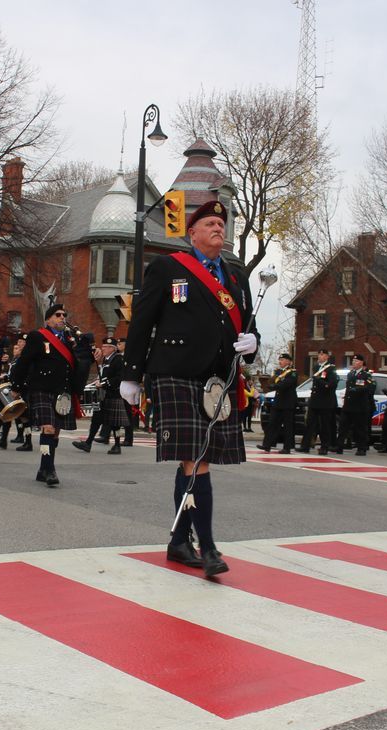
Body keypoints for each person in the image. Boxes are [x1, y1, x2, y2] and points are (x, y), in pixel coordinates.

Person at [120, 199, 258, 578]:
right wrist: (131, 373)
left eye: (221, 223)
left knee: (194, 459)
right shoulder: (168, 267)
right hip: (175, 373)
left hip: (218, 380)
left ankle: (180, 541)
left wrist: (253, 344)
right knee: (197, 459)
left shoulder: (236, 277)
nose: (218, 228)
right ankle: (209, 546)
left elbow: (246, 326)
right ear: (192, 232)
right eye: (210, 223)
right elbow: (142, 321)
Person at [11, 303, 83, 486]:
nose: (62, 317)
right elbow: (24, 361)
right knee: (48, 428)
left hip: (62, 392)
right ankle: (50, 470)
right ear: (48, 319)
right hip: (42, 389)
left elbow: (75, 367)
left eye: (64, 315)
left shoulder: (69, 340)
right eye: (58, 314)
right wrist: (16, 385)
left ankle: (43, 468)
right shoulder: (37, 336)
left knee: (55, 433)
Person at [73, 336, 128, 454]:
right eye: (103, 346)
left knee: (115, 424)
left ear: (113, 349)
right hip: (103, 395)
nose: (103, 349)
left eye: (107, 347)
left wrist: (103, 383)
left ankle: (117, 445)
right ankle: (88, 443)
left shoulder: (118, 359)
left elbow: (119, 377)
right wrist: (99, 381)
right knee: (96, 420)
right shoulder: (106, 359)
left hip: (113, 394)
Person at [301, 349, 337, 455]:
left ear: (327, 357)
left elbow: (330, 384)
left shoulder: (331, 369)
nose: (320, 356)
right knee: (310, 424)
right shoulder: (317, 368)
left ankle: (324, 447)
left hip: (325, 401)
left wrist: (318, 380)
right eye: (319, 355)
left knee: (324, 425)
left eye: (322, 355)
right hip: (315, 400)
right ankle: (305, 446)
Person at [259, 352, 297, 454]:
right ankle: (267, 445)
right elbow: (272, 381)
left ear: (288, 361)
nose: (280, 362)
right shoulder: (279, 373)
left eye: (283, 360)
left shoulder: (292, 372)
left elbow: (286, 384)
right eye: (280, 360)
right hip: (278, 402)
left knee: (288, 426)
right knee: (272, 424)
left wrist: (275, 386)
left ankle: (287, 447)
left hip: (288, 402)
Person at [339, 354, 374, 456]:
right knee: (343, 426)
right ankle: (339, 446)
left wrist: (357, 389)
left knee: (360, 428)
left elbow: (369, 388)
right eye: (353, 361)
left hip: (359, 406)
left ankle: (361, 448)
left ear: (361, 363)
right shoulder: (351, 374)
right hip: (348, 405)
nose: (354, 363)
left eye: (356, 361)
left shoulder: (366, 375)